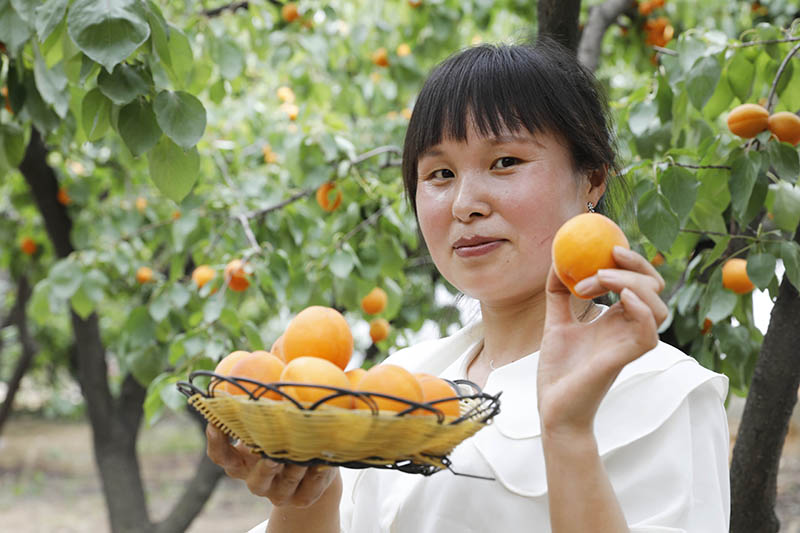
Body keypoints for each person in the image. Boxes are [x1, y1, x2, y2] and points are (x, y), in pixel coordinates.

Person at [206, 38, 730, 533]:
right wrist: (307, 489)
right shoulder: (398, 385)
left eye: (505, 162)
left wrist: (568, 434)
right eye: (439, 175)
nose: (465, 204)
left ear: (592, 180)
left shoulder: (663, 391)